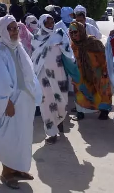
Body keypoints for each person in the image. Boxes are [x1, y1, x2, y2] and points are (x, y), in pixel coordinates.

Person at [0, 15, 37, 189]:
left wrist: (34, 93)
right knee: (8, 138)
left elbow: (28, 73)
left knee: (23, 136)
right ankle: (6, 172)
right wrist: (6, 103)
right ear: (3, 31)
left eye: (16, 28)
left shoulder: (18, 47)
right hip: (10, 103)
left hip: (25, 101)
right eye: (11, 28)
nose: (15, 31)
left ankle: (18, 168)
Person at [31, 14, 74, 144]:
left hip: (58, 74)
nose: (50, 25)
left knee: (61, 101)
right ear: (42, 23)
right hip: (42, 75)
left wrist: (63, 45)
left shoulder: (59, 34)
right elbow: (34, 58)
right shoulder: (36, 38)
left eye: (52, 22)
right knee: (46, 103)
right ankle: (51, 131)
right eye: (47, 22)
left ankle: (59, 120)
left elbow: (69, 52)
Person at [69, 21, 112, 120]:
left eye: (76, 32)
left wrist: (103, 71)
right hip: (80, 73)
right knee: (79, 91)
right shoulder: (73, 45)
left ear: (81, 31)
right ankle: (80, 112)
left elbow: (103, 57)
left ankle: (104, 111)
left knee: (101, 90)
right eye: (71, 33)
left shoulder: (93, 42)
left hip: (97, 72)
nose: (73, 35)